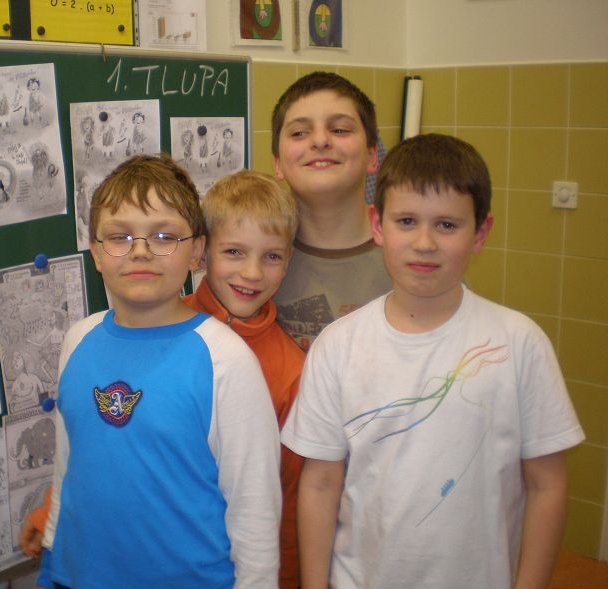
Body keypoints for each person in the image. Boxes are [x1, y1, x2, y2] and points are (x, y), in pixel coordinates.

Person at [281, 133, 585, 589]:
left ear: (480, 233)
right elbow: (321, 483)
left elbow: (547, 486)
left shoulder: (520, 344)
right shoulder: (338, 345)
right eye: (406, 221)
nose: (424, 243)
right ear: (377, 225)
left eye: (446, 225)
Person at [25, 154, 281, 589]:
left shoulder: (225, 360)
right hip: (76, 574)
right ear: (96, 253)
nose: (140, 250)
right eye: (119, 236)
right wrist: (52, 547)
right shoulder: (77, 340)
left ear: (196, 252)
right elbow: (69, 463)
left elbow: (254, 509)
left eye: (164, 236)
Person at [183, 170, 306, 589]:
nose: (252, 273)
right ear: (202, 252)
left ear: (287, 262)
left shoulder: (291, 372)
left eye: (271, 256)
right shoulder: (160, 328)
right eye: (234, 251)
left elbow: (287, 499)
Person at [271, 71, 392, 350]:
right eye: (299, 133)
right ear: (278, 163)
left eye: (340, 130)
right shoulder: (255, 258)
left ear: (372, 156)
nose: (320, 141)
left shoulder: (412, 251)